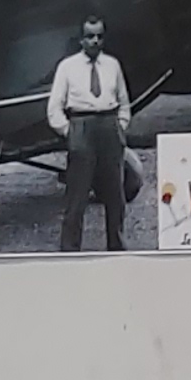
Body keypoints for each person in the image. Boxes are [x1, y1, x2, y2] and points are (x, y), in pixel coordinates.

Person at [42, 13, 130, 252]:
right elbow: (54, 108)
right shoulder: (67, 67)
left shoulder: (112, 65)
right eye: (90, 36)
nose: (95, 41)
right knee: (77, 196)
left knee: (115, 195)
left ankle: (117, 247)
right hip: (81, 127)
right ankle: (70, 250)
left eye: (99, 36)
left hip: (109, 126)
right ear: (81, 39)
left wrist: (120, 126)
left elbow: (124, 101)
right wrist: (70, 133)